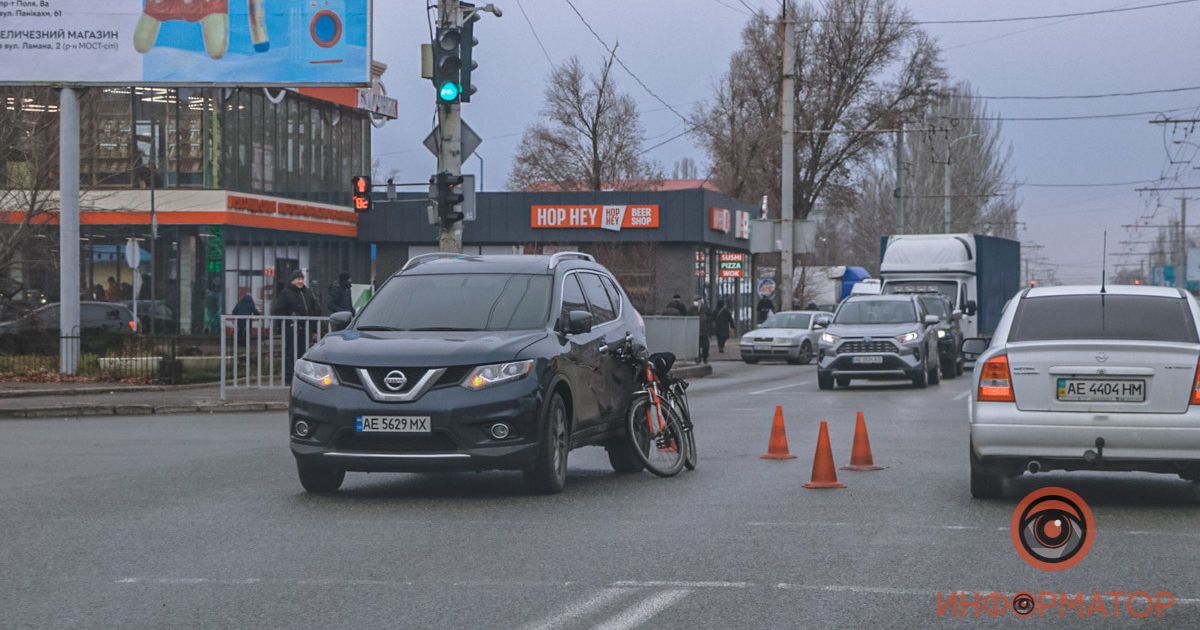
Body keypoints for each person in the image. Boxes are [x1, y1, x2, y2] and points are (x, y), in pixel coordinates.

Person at [272, 270, 322, 385]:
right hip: (292, 328)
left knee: (303, 354)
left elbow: (314, 309)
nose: (300, 281)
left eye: (301, 279)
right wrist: (290, 320)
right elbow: (278, 310)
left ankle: (301, 379)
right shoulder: (286, 293)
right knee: (291, 354)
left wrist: (313, 329)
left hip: (306, 328)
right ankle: (289, 379)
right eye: (297, 279)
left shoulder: (308, 293)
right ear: (292, 280)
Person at [694, 296, 711, 364]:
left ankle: (705, 357)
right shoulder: (692, 309)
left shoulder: (706, 310)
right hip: (695, 331)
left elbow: (711, 318)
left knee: (705, 345)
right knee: (696, 345)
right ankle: (698, 357)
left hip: (704, 331)